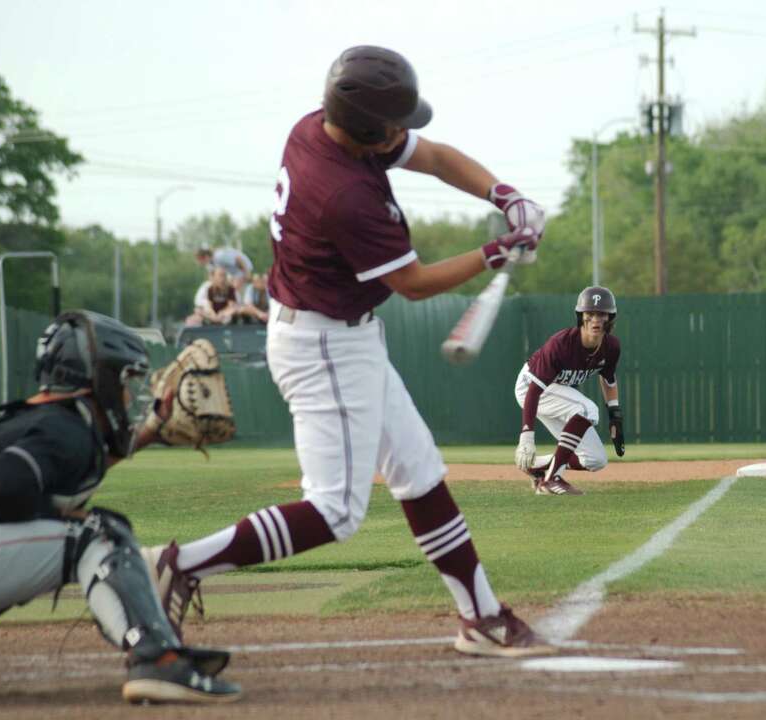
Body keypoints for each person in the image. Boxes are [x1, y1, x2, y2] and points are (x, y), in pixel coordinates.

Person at [141, 45, 552, 657]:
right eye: (394, 125)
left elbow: (435, 156)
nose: (404, 134)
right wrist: (494, 253)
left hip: (339, 333)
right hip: (322, 343)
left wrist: (505, 196)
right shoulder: (343, 194)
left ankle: (481, 615)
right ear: (367, 131)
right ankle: (179, 565)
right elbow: (411, 285)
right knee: (335, 512)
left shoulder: (322, 128)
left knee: (418, 471)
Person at [0, 311, 241, 704]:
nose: (127, 395)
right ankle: (157, 659)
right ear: (98, 377)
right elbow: (0, 485)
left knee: (82, 526)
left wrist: (150, 430)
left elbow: (61, 474)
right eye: (124, 381)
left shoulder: (45, 422)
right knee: (99, 532)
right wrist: (60, 518)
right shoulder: (64, 427)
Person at [513, 286, 626, 496]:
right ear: (581, 316)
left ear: (610, 317)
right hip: (530, 387)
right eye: (590, 313)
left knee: (595, 459)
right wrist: (526, 436)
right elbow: (534, 391)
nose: (595, 319)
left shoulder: (611, 347)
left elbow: (608, 379)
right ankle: (551, 480)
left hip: (554, 392)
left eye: (601, 314)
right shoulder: (561, 344)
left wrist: (615, 414)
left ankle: (537, 467)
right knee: (587, 409)